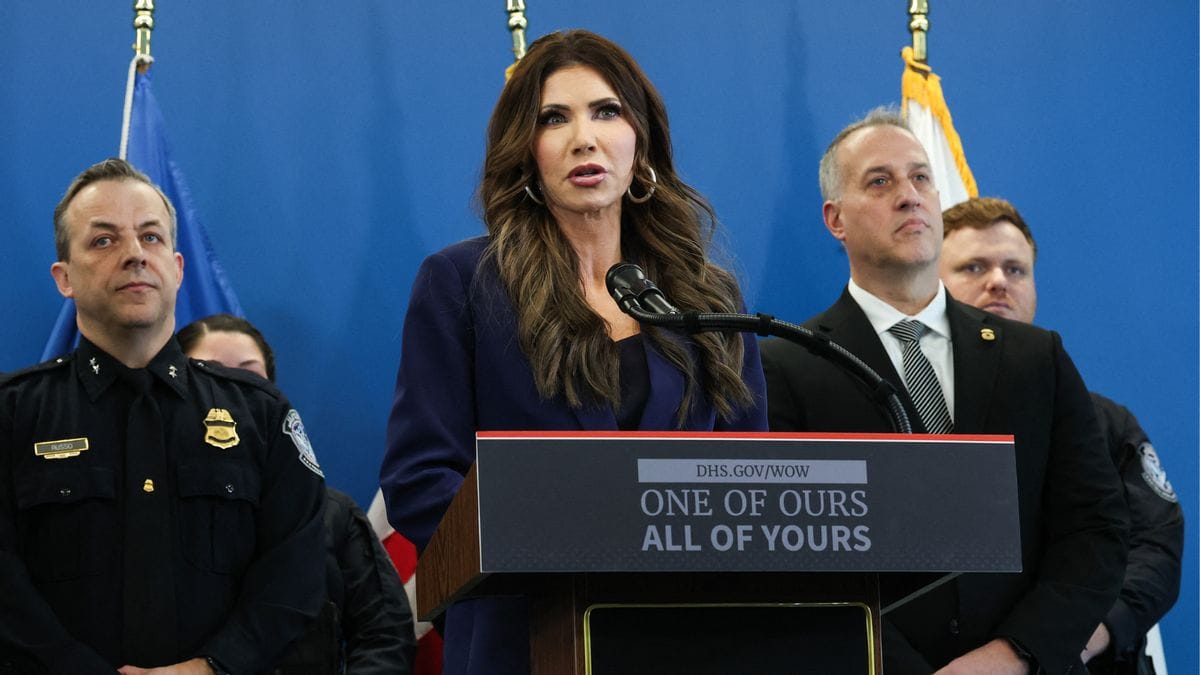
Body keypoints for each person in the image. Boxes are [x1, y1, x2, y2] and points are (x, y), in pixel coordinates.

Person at [379, 29, 768, 675]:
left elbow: (748, 479)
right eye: (553, 118)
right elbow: (421, 478)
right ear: (525, 151)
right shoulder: (464, 284)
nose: (583, 138)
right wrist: (557, 544)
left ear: (641, 140)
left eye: (606, 111)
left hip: (686, 637)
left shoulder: (706, 298)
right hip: (524, 638)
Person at [758, 108, 1128, 674]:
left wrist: (1015, 654)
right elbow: (791, 557)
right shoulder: (787, 364)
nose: (909, 196)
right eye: (880, 181)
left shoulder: (1036, 357)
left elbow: (1094, 530)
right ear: (836, 219)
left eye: (920, 177)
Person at [0, 158, 326, 674]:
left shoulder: (261, 414)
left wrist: (212, 667)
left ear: (177, 268)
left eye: (150, 237)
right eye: (104, 240)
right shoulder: (13, 413)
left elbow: (296, 574)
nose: (134, 254)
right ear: (64, 278)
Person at [940, 197, 1183, 674]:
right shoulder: (912, 413)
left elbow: (1156, 548)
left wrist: (1075, 639)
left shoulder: (1104, 422)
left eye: (1016, 269)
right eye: (973, 267)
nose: (998, 281)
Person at [178, 313, 418, 675]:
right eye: (210, 372)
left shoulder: (331, 514)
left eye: (249, 375)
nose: (231, 391)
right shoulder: (148, 506)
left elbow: (385, 636)